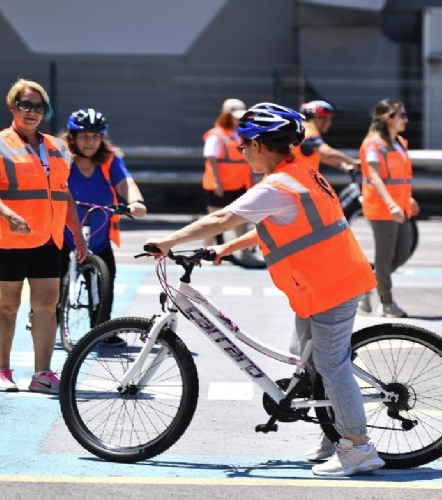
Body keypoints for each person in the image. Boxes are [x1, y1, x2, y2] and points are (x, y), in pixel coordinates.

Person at [144, 102, 384, 477]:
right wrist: (226, 247)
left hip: (332, 285)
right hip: (320, 284)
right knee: (303, 357)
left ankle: (358, 448)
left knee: (331, 366)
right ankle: (332, 430)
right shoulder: (298, 173)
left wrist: (168, 241)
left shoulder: (278, 184)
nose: (241, 152)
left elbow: (223, 217)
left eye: (243, 145)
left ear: (259, 145)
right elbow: (279, 227)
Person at [0, 78, 87, 394]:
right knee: (8, 304)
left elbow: (64, 195)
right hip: (10, 239)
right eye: (25, 105)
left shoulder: (60, 148)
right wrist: (8, 214)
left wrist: (77, 234)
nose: (32, 112)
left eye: (38, 106)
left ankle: (42, 374)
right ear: (13, 107)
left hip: (49, 238)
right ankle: (2, 371)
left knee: (47, 303)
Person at [61, 108, 147, 346]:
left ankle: (101, 328)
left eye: (96, 136)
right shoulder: (62, 157)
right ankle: (50, 317)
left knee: (105, 277)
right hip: (64, 234)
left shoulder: (109, 160)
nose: (90, 141)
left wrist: (135, 202)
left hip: (98, 236)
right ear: (72, 137)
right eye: (84, 135)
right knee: (52, 280)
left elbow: (126, 182)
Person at [357, 98, 419, 318]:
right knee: (384, 258)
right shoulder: (373, 144)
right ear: (388, 118)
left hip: (400, 207)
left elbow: (401, 176)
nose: (405, 119)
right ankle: (387, 303)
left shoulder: (399, 142)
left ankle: (365, 287)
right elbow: (374, 176)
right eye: (401, 115)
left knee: (402, 253)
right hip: (382, 208)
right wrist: (391, 203)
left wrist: (408, 198)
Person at [201, 98, 251, 247]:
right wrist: (218, 182)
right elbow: (211, 158)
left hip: (240, 183)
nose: (238, 120)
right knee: (214, 220)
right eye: (235, 117)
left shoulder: (242, 134)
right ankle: (207, 251)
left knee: (242, 220)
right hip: (220, 185)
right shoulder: (216, 135)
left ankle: (245, 252)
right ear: (227, 116)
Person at [294, 100, 358, 173]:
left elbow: (322, 157)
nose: (329, 123)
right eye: (324, 118)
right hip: (299, 179)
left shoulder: (302, 130)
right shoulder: (309, 133)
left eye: (329, 119)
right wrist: (353, 161)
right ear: (313, 118)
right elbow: (327, 152)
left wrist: (342, 165)